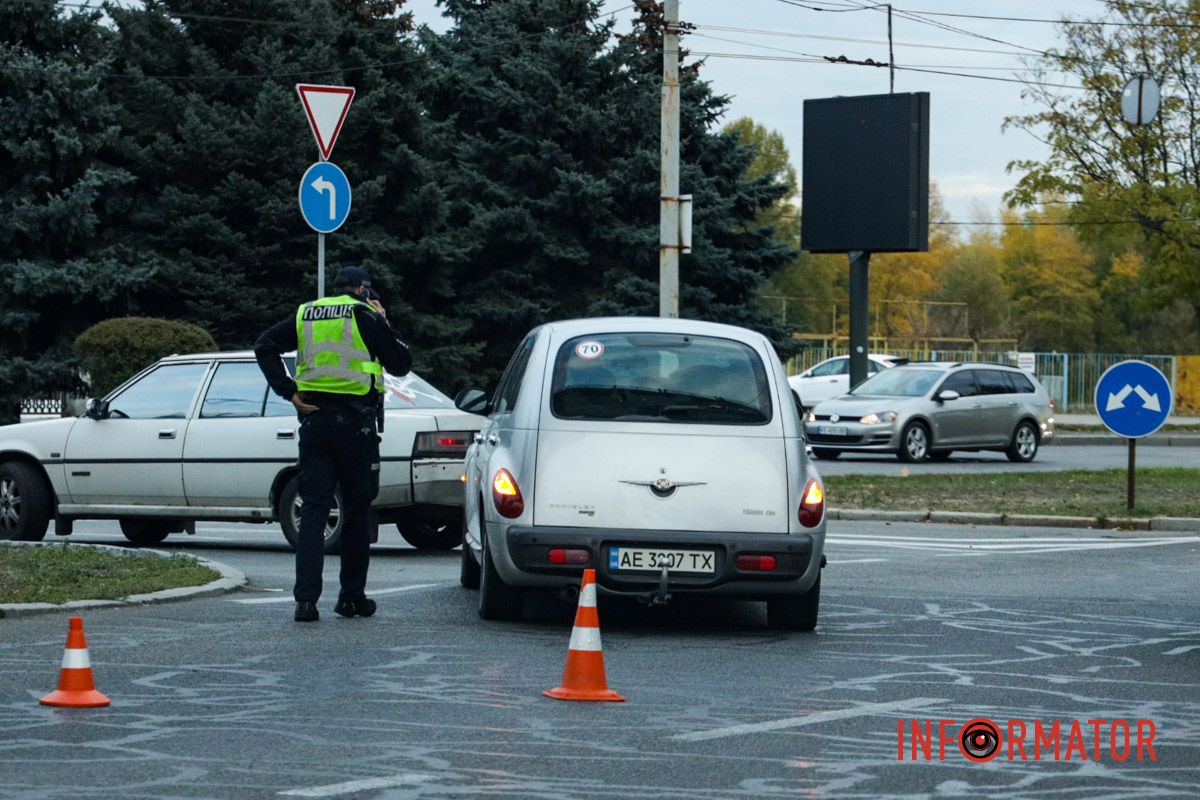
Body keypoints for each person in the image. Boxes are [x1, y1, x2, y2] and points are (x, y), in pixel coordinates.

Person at [254, 266, 412, 622]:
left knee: (313, 511)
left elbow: (264, 345)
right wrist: (384, 321)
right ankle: (352, 597)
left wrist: (288, 391)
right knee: (356, 512)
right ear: (362, 289)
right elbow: (401, 363)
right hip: (355, 427)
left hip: (314, 422)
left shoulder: (306, 314)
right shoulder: (364, 314)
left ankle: (306, 602)